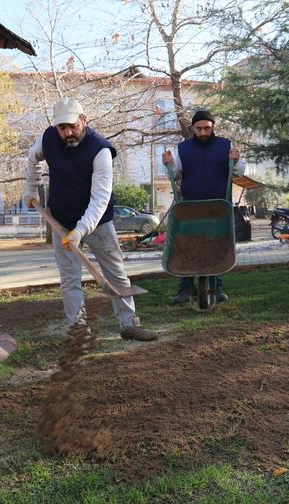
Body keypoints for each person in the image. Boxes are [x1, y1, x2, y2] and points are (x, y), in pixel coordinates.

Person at [22, 97, 158, 341]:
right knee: (69, 277)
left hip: (98, 222)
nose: (68, 132)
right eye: (62, 128)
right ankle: (79, 328)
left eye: (72, 126)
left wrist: (81, 230)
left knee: (115, 274)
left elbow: (100, 200)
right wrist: (31, 190)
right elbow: (32, 159)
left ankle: (129, 324)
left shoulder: (100, 150)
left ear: (84, 120)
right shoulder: (48, 138)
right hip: (61, 219)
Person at [162, 110, 246, 305]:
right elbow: (175, 176)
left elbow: (238, 173)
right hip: (191, 207)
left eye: (207, 128)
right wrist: (169, 165)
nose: (203, 133)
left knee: (217, 244)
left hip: (218, 206)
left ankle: (217, 287)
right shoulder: (183, 148)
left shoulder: (225, 146)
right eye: (199, 129)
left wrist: (237, 159)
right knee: (188, 245)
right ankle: (184, 288)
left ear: (213, 127)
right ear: (193, 128)